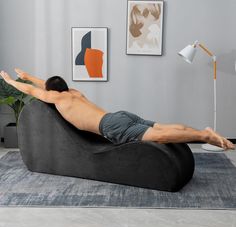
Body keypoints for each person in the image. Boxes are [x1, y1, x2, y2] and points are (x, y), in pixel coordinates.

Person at [0, 69, 235, 150]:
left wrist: (11, 80)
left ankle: (205, 135)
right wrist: (28, 75)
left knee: (161, 137)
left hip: (111, 126)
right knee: (162, 127)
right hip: (117, 115)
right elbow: (45, 83)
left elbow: (35, 91)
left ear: (52, 92)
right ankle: (203, 131)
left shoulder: (59, 99)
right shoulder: (73, 93)